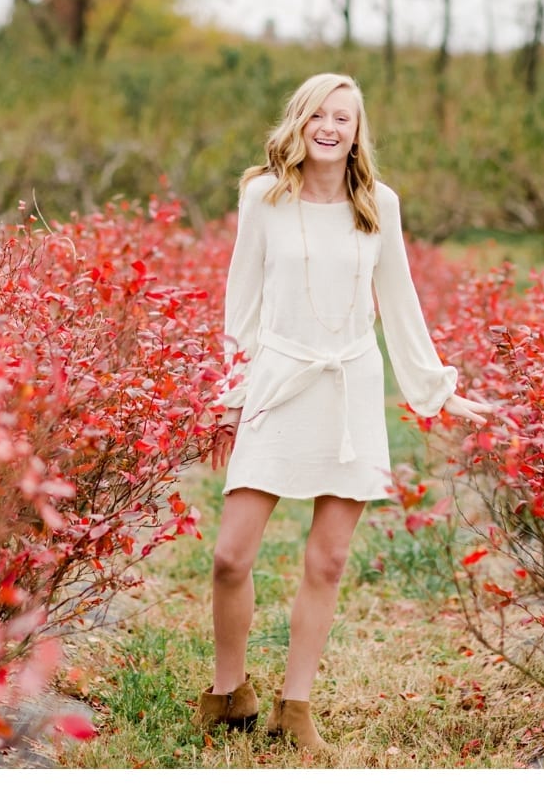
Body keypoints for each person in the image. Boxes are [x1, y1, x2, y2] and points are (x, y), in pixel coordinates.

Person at [196, 72, 495, 752]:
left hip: (350, 386)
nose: (330, 128)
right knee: (229, 556)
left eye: (344, 119)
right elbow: (239, 311)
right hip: (279, 379)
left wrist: (438, 391)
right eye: (318, 116)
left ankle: (293, 710)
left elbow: (402, 302)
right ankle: (227, 692)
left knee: (327, 561)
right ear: (298, 123)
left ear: (358, 132)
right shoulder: (262, 199)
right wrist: (228, 397)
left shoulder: (377, 205)